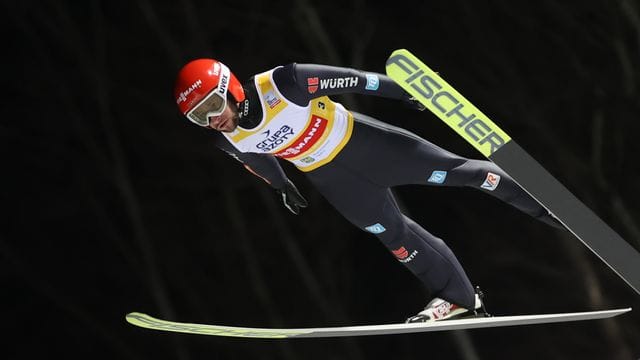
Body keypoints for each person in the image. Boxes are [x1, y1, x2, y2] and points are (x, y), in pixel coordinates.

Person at [173, 58, 563, 322]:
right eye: (199, 118)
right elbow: (257, 159)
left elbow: (359, 81)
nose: (213, 120)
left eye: (212, 106)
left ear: (230, 87)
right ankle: (459, 298)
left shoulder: (283, 83)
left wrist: (405, 92)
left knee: (464, 174)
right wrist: (282, 185)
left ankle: (555, 211)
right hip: (334, 181)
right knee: (393, 237)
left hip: (370, 147)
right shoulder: (228, 140)